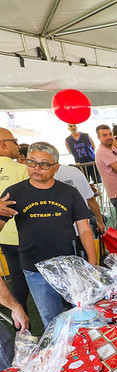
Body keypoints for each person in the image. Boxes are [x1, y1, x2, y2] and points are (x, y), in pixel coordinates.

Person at [0, 142, 96, 327]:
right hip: (35, 269)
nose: (37, 168)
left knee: (81, 314)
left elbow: (84, 229)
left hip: (69, 266)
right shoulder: (14, 193)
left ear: (56, 167)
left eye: (44, 164)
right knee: (51, 321)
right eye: (32, 162)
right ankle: (58, 354)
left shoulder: (69, 192)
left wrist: (92, 264)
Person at [0, 129, 30, 314]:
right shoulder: (22, 170)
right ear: (3, 144)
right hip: (28, 234)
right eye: (14, 141)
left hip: (4, 235)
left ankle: (22, 326)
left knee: (18, 281)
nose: (18, 145)